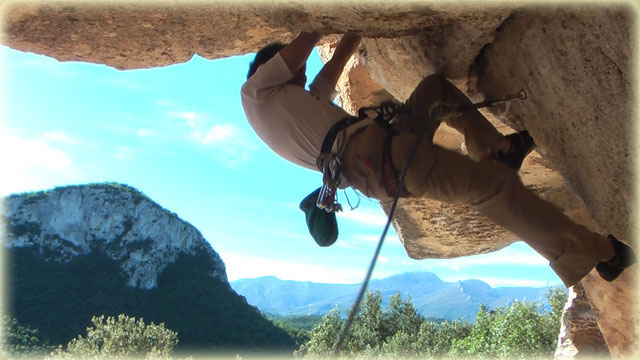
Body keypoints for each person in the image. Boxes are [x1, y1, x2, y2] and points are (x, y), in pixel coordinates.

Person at [240, 31, 636, 288]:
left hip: (382, 147)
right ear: (270, 70)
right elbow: (306, 40)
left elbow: (332, 67)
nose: (303, 78)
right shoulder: (254, 93)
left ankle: (494, 148)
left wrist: (356, 21)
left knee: (433, 90)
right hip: (379, 158)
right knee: (494, 188)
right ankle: (599, 253)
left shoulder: (296, 106)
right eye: (296, 72)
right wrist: (316, 20)